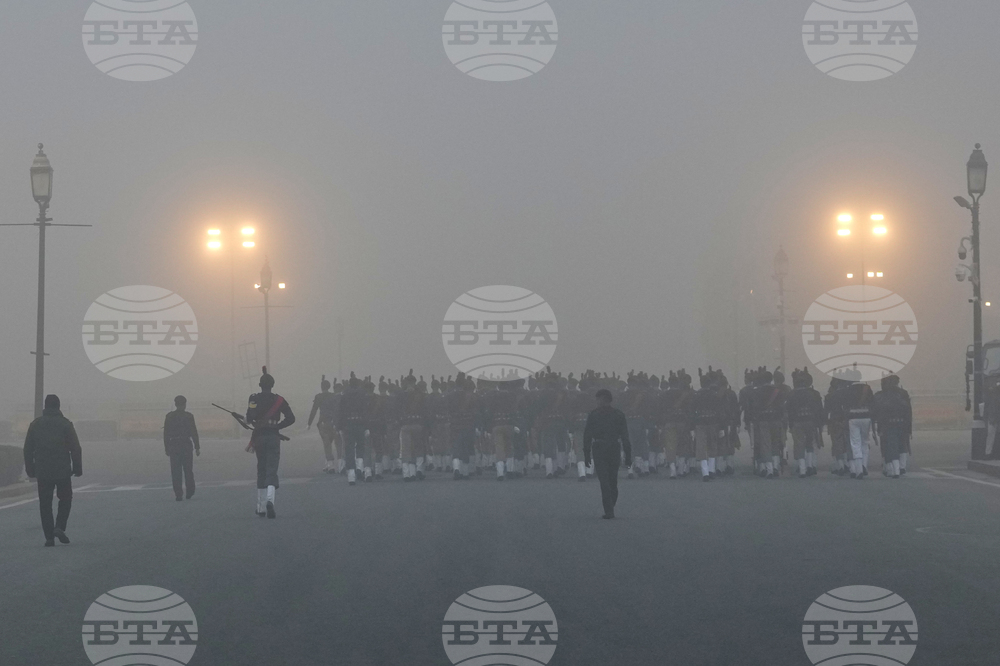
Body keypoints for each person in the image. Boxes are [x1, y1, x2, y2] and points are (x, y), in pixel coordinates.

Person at [23, 394, 82, 547]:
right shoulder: (65, 424)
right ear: (58, 406)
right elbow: (75, 448)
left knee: (45, 503)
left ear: (45, 406)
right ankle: (59, 527)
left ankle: (49, 537)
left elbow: (27, 449)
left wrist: (30, 469)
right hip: (62, 470)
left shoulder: (35, 424)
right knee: (65, 499)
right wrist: (77, 468)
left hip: (42, 470)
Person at [247, 366, 295, 518]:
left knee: (261, 469)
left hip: (259, 437)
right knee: (271, 470)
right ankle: (270, 501)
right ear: (272, 385)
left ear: (260, 385)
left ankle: (260, 507)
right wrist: (277, 427)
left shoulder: (253, 398)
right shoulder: (279, 400)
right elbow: (291, 418)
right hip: (273, 438)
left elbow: (250, 417)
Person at [583, 389, 632, 519]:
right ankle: (609, 510)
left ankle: (610, 505)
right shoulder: (615, 414)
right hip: (605, 448)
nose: (597, 402)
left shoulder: (609, 415)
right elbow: (587, 435)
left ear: (605, 399)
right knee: (605, 481)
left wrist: (628, 456)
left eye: (599, 399)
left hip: (607, 448)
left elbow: (625, 436)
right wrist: (587, 454)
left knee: (612, 481)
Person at [163, 395, 200, 501]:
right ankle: (190, 491)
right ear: (185, 404)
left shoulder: (169, 416)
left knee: (176, 471)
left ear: (175, 404)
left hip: (174, 445)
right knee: (188, 470)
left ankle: (178, 494)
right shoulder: (189, 416)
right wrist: (197, 447)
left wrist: (166, 447)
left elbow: (166, 434)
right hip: (186, 445)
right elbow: (194, 432)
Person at [307, 376, 341, 474]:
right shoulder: (334, 396)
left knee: (327, 444)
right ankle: (340, 464)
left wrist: (309, 423)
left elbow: (314, 410)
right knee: (337, 443)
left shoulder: (318, 397)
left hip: (323, 423)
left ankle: (330, 465)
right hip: (334, 422)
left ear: (321, 387)